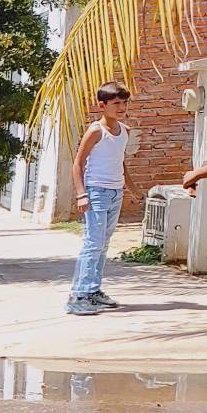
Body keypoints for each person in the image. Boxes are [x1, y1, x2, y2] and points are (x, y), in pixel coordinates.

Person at [67, 82, 134, 316]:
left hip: (116, 192)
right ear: (102, 105)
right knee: (93, 243)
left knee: (103, 245)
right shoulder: (96, 131)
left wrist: (131, 188)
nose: (122, 107)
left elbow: (120, 162)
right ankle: (79, 296)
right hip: (96, 193)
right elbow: (78, 163)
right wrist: (81, 194)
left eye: (125, 103)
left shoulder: (125, 131)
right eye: (116, 103)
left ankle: (93, 291)